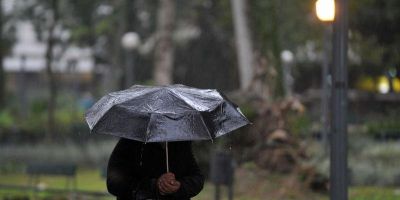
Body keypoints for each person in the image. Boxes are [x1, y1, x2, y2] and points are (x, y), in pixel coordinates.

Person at [107, 138, 205, 200]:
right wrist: (154, 186)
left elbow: (197, 177)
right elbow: (114, 183)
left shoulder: (181, 142)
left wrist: (180, 186)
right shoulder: (130, 142)